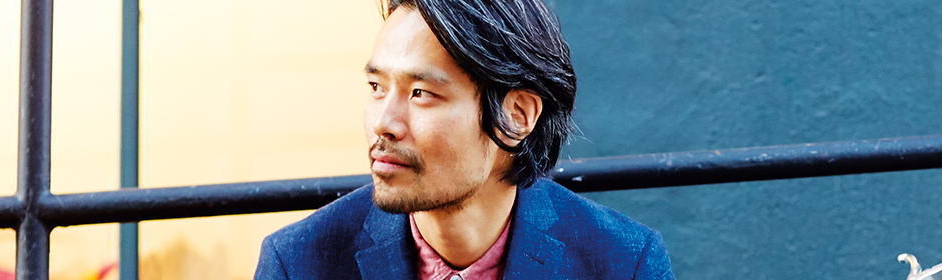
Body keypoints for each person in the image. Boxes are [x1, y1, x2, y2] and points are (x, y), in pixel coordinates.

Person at [254, 0, 673, 278]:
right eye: (377, 87)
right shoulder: (300, 262)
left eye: (421, 93)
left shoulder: (623, 263)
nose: (384, 123)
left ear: (517, 115)